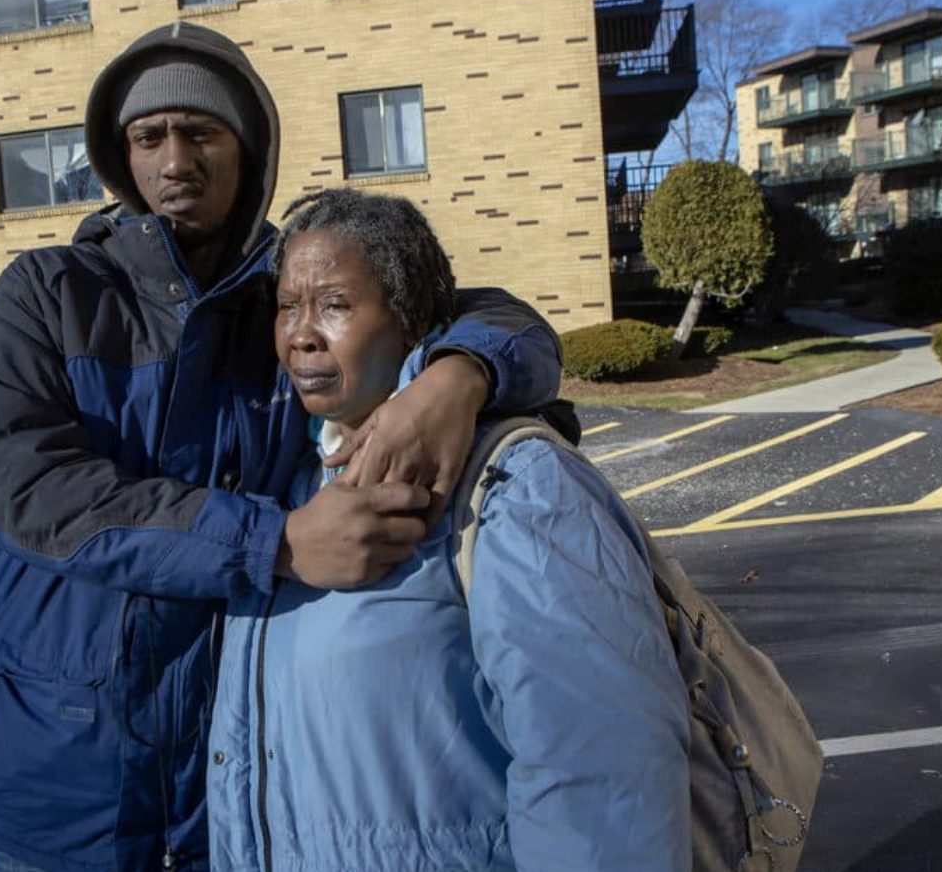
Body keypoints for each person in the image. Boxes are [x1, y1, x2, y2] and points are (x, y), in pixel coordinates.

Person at [0, 23, 566, 872]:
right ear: (118, 155)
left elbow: (504, 320)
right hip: (59, 779)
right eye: (148, 137)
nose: (175, 161)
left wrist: (457, 376)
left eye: (202, 133)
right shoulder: (46, 295)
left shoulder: (289, 296)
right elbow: (33, 491)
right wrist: (273, 543)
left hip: (234, 790)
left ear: (249, 150)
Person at [208, 188, 692, 872]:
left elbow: (602, 774)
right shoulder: (286, 479)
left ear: (408, 322)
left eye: (336, 305)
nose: (301, 332)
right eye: (289, 306)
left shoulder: (518, 488)